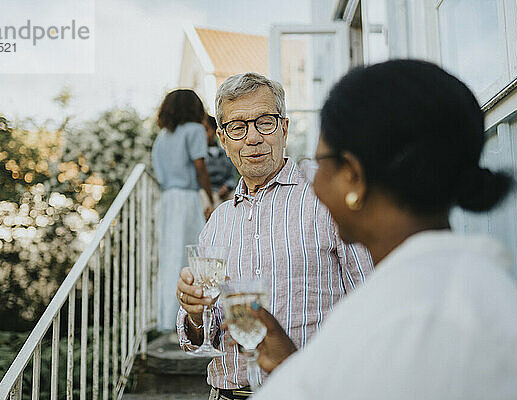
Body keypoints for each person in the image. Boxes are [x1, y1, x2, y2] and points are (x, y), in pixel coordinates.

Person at [248, 60, 517, 399]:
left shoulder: (413, 318)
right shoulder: (453, 288)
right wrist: (291, 365)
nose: (313, 185)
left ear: (354, 177)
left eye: (321, 165)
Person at [174, 72, 374, 399]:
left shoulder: (328, 202)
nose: (252, 138)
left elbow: (372, 302)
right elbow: (201, 339)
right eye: (238, 127)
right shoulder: (217, 222)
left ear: (284, 128)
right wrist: (194, 313)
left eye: (264, 122)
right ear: (223, 140)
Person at [152, 89, 214, 331]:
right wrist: (209, 197)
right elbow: (200, 167)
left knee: (170, 257)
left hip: (167, 199)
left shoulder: (162, 137)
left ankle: (167, 319)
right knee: (194, 257)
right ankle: (190, 321)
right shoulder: (195, 130)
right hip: (187, 199)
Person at [200, 113, 237, 214]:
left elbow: (232, 176)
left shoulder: (226, 153)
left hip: (224, 192)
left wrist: (227, 187)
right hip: (208, 192)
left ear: (214, 131)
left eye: (206, 130)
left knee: (235, 200)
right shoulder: (200, 156)